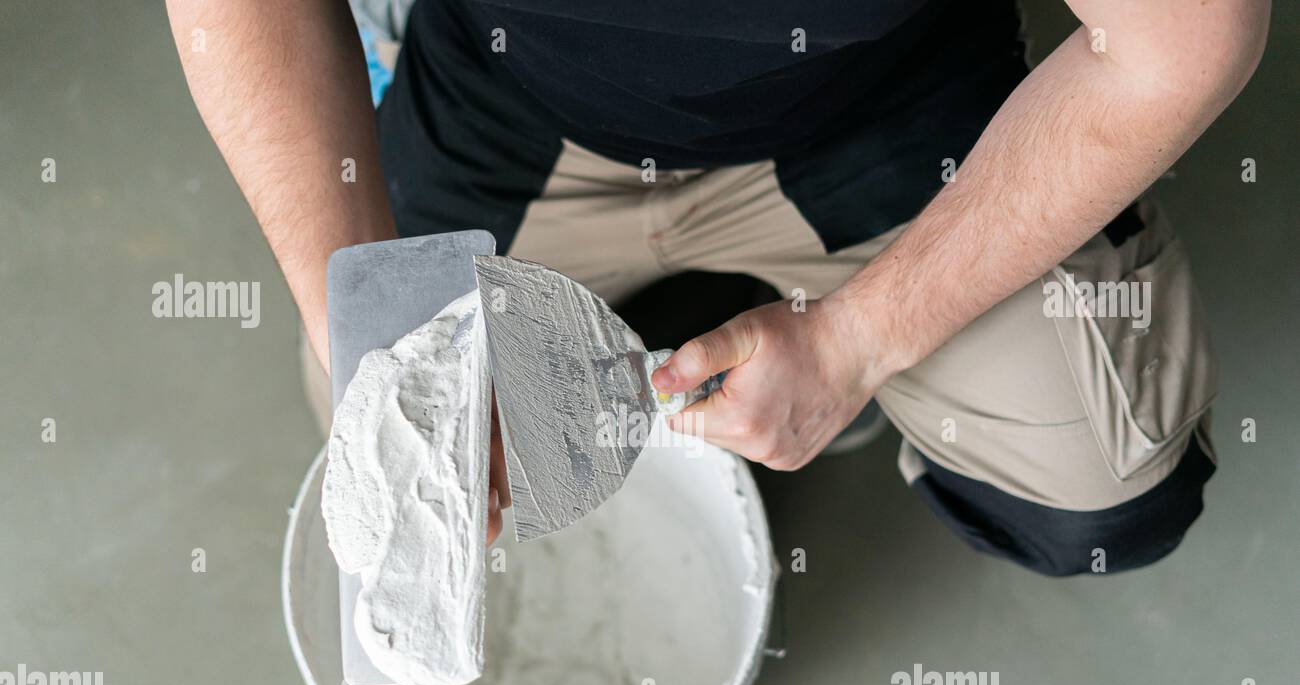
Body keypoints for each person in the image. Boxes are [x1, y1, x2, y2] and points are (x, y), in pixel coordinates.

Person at [166, 0, 1269, 574]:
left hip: (875, 109)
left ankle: (861, 379)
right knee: (384, 434)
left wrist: (860, 343)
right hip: (516, 96)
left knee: (1098, 499)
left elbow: (1172, 45)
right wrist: (357, 314)